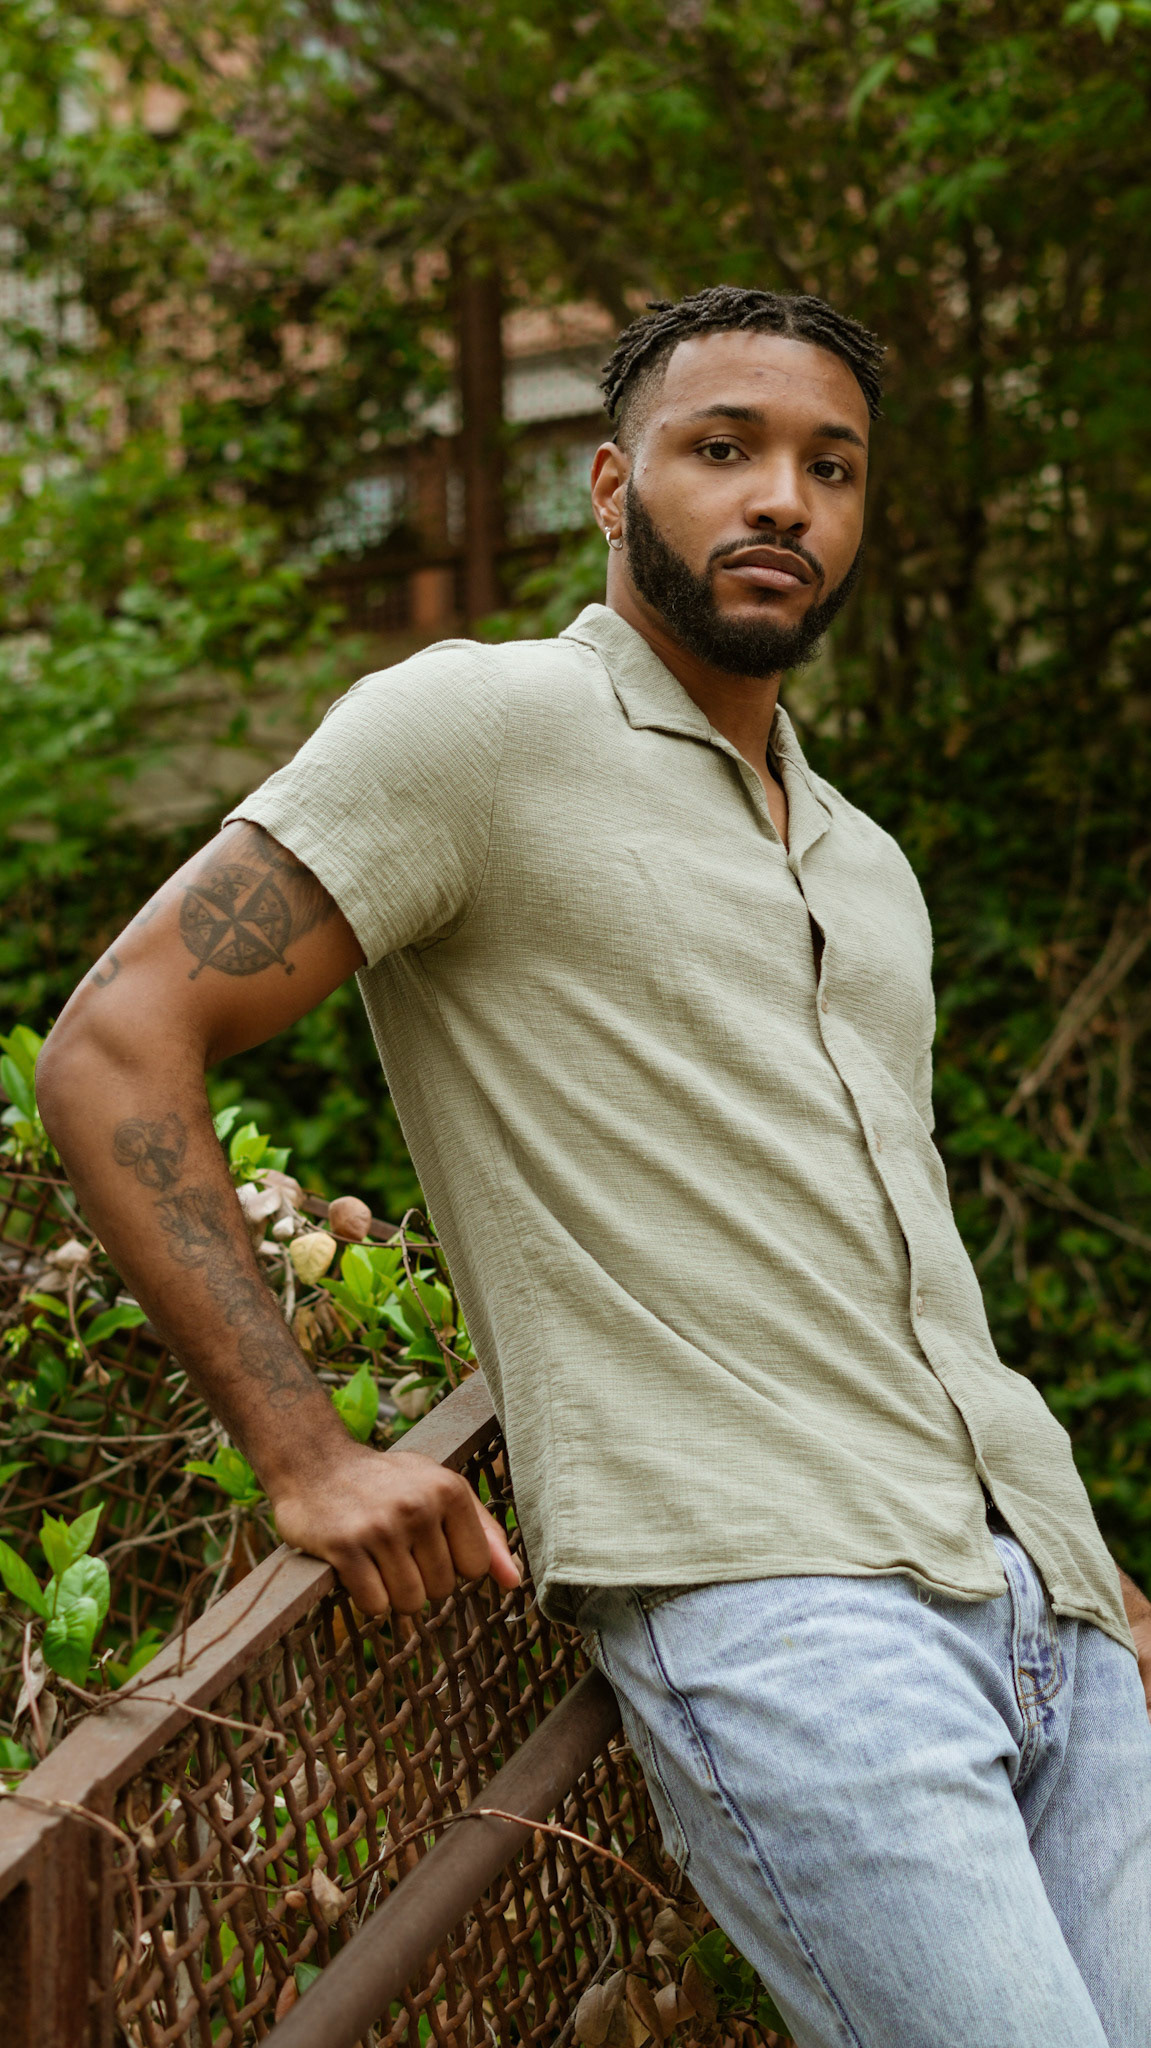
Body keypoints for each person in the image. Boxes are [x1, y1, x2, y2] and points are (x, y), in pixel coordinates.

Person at [37, 286, 1151, 2046]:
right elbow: (112, 1048)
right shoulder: (477, 730)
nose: (783, 497)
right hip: (787, 1610)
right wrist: (304, 1451)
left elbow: (899, 1244)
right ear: (615, 488)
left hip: (1053, 1611)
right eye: (726, 450)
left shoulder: (864, 858)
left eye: (833, 466)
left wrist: (1079, 1572)